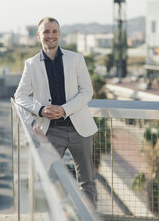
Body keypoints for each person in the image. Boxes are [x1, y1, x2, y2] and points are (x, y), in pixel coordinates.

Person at [14, 17, 98, 206]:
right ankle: (56, 213)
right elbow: (20, 95)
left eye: (54, 31)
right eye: (46, 32)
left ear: (59, 34)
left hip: (80, 129)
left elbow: (87, 91)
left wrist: (64, 109)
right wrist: (41, 110)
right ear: (38, 35)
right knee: (41, 176)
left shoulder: (76, 59)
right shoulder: (31, 64)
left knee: (87, 182)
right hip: (51, 131)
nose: (50, 35)